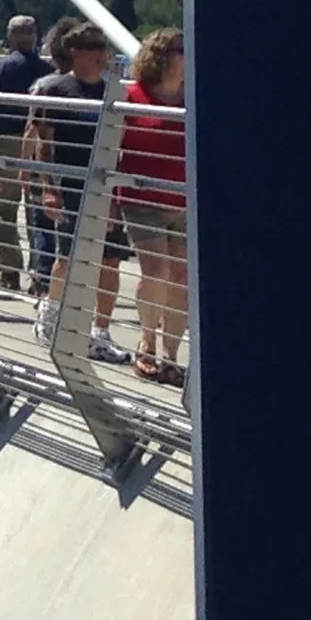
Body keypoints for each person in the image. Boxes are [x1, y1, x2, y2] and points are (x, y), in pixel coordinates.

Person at [24, 22, 133, 361]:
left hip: (104, 185)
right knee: (67, 258)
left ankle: (100, 332)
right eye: (95, 47)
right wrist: (48, 189)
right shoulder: (55, 89)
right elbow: (43, 142)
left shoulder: (113, 92)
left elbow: (119, 146)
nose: (103, 54)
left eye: (104, 47)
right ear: (76, 53)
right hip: (70, 182)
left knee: (110, 259)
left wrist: (117, 197)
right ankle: (52, 317)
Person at [120, 28, 188, 385]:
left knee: (181, 276)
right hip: (142, 199)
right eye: (181, 49)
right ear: (161, 56)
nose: (188, 54)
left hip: (187, 200)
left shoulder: (194, 96)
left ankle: (171, 354)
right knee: (157, 270)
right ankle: (146, 341)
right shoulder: (132, 96)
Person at [0, 16, 54, 292]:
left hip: (7, 141)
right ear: (35, 36)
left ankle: (8, 271)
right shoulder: (47, 70)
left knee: (4, 208)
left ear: (10, 37)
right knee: (37, 209)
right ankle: (39, 272)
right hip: (39, 141)